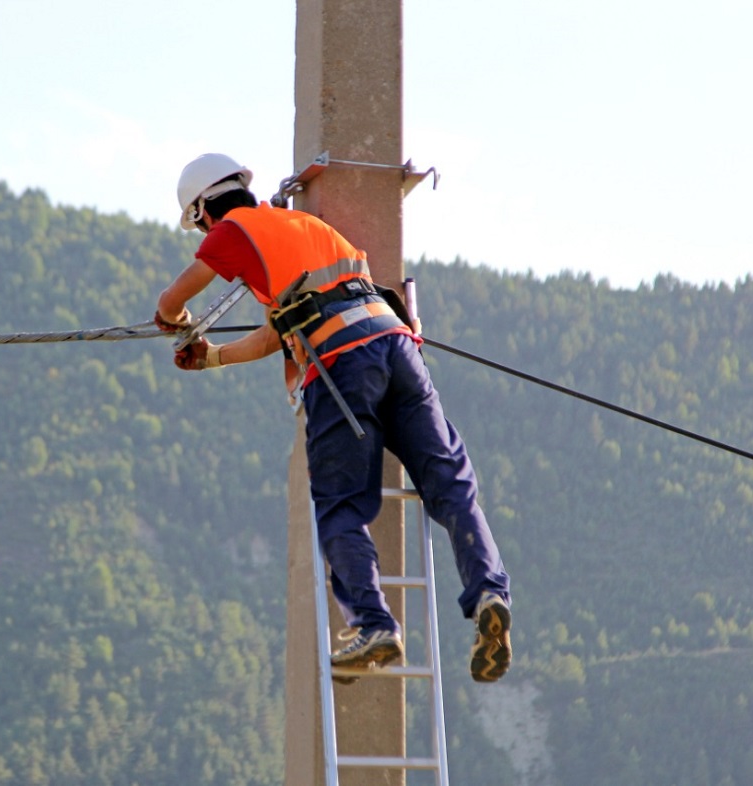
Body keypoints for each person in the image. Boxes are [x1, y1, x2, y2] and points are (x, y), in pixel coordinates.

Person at [154, 153, 512, 683]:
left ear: (205, 207)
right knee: (451, 485)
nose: (204, 228)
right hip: (395, 346)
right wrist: (211, 357)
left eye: (200, 219)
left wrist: (175, 322)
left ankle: (374, 625)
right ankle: (488, 591)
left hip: (342, 363)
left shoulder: (235, 229)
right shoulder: (307, 226)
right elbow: (279, 331)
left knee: (340, 505)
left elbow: (174, 298)